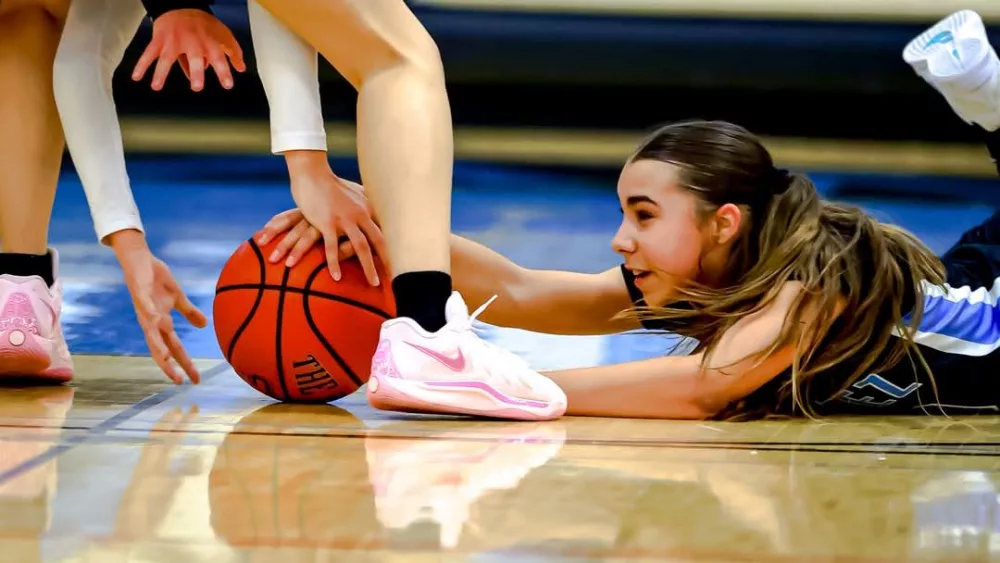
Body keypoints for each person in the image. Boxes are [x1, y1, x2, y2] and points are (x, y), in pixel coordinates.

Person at [259, 9, 1000, 420]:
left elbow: (704, 386)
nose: (621, 238)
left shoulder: (821, 278)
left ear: (725, 222)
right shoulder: (708, 278)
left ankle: (989, 103)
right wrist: (382, 231)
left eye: (644, 215)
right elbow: (521, 292)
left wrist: (497, 391)